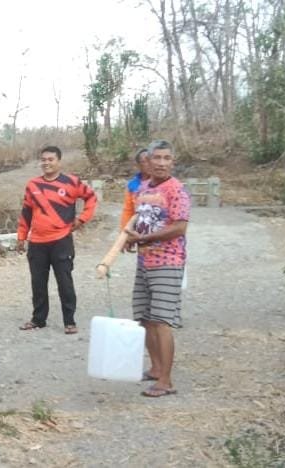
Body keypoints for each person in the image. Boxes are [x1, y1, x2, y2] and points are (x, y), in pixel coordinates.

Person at [124, 139, 190, 397]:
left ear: (172, 162)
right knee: (145, 318)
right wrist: (133, 239)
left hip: (168, 261)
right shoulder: (142, 188)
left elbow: (179, 226)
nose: (162, 163)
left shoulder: (177, 190)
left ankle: (166, 380)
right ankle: (155, 368)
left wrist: (143, 239)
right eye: (157, 158)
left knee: (162, 321)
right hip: (144, 261)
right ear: (147, 161)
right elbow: (142, 220)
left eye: (167, 158)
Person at [17, 145, 98, 334]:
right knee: (38, 283)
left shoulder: (72, 182)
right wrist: (21, 237)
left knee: (65, 281)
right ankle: (38, 319)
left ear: (59, 161)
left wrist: (82, 219)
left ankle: (69, 321)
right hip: (37, 242)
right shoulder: (32, 185)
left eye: (50, 159)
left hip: (61, 240)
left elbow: (91, 198)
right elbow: (26, 213)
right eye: (43, 159)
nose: (46, 163)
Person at [120, 148, 150, 230]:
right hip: (139, 231)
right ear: (138, 165)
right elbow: (128, 211)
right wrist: (124, 233)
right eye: (144, 162)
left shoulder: (161, 182)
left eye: (150, 160)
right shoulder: (132, 185)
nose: (149, 164)